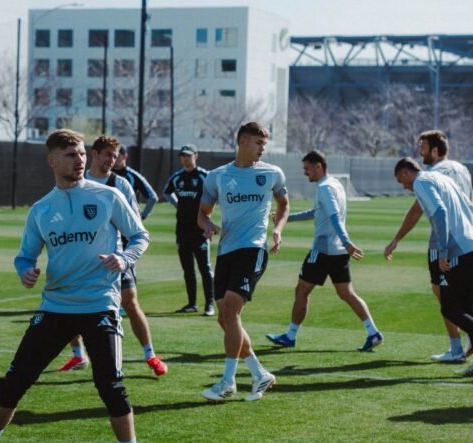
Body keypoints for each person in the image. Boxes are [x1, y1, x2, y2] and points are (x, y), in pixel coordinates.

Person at [0, 129, 149, 443]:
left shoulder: (108, 196)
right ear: (52, 161)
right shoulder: (41, 209)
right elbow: (25, 255)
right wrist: (25, 270)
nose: (80, 159)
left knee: (111, 386)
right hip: (55, 306)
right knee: (14, 382)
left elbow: (140, 236)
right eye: (71, 154)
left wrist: (124, 257)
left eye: (82, 153)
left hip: (100, 304)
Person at [58, 135, 168, 377]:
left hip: (117, 257)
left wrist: (125, 257)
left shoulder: (121, 185)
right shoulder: (78, 181)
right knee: (70, 302)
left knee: (130, 302)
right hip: (82, 257)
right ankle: (78, 354)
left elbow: (134, 225)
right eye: (107, 154)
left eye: (115, 156)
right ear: (94, 154)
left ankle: (150, 355)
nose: (111, 160)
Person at [197, 122, 289, 402]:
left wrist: (278, 229)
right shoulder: (217, 176)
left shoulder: (272, 173)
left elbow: (284, 204)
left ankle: (228, 381)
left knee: (232, 311)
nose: (263, 149)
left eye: (264, 144)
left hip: (253, 248)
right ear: (242, 142)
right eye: (259, 143)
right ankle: (260, 373)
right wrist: (208, 225)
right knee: (225, 318)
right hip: (226, 251)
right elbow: (202, 213)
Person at [266, 150, 383, 351]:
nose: (305, 173)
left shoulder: (325, 188)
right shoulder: (335, 184)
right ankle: (373, 332)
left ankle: (290, 336)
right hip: (339, 252)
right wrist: (286, 218)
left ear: (318, 166)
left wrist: (347, 241)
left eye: (307, 168)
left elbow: (334, 216)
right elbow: (318, 212)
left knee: (301, 290)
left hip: (323, 251)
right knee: (347, 293)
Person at [384, 130, 473, 363]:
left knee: (449, 305)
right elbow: (469, 204)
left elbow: (435, 212)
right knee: (465, 304)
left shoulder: (426, 179)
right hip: (469, 242)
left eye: (423, 148)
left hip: (452, 247)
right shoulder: (457, 173)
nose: (403, 186)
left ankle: (456, 349)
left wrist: (442, 251)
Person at [163, 144, 215, 316]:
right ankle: (192, 303)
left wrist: (208, 219)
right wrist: (177, 204)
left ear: (196, 156)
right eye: (183, 156)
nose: (185, 159)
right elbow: (166, 192)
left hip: (199, 230)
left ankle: (209, 304)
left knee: (205, 268)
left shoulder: (204, 176)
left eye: (188, 155)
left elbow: (216, 194)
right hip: (182, 230)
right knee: (188, 269)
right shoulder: (177, 177)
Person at [112, 145, 158, 221]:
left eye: (117, 155)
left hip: (127, 220)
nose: (114, 158)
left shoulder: (133, 176)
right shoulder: (105, 173)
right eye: (112, 155)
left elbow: (153, 197)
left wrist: (142, 216)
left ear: (125, 156)